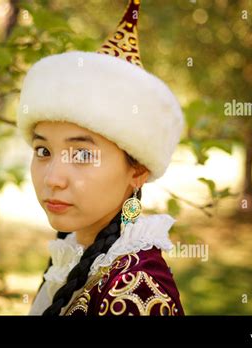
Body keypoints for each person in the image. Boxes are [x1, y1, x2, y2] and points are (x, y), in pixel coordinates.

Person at [16, 0, 185, 316]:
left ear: (138, 170)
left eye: (82, 154)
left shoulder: (136, 289)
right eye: (43, 151)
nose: (52, 178)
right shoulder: (74, 256)